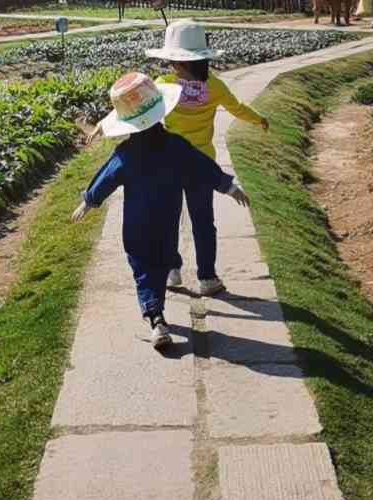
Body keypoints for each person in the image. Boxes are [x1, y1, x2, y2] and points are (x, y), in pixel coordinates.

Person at [72, 71, 248, 350]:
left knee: (143, 270)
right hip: (167, 223)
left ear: (127, 124)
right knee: (163, 262)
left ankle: (156, 318)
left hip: (136, 227)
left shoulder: (125, 155)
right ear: (160, 113)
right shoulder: (176, 146)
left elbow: (106, 177)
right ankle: (157, 311)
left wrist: (89, 201)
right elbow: (202, 166)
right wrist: (228, 186)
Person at [146, 18, 268, 295]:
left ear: (175, 61)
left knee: (168, 218)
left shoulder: (163, 85)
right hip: (202, 165)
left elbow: (144, 116)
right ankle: (207, 277)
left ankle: (171, 271)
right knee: (203, 221)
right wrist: (259, 119)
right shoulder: (214, 86)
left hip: (169, 163)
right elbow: (237, 109)